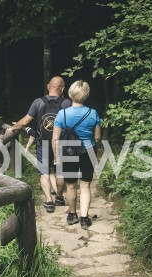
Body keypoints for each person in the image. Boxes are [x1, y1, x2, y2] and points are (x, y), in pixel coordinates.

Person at [6, 76, 71, 213]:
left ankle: (48, 201)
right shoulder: (67, 103)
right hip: (60, 143)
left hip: (43, 142)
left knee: (44, 173)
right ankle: (59, 197)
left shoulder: (38, 102)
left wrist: (13, 128)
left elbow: (24, 122)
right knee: (60, 172)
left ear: (48, 86)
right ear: (63, 89)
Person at [52, 80, 101, 229]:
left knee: (71, 186)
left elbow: (55, 139)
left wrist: (56, 157)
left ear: (71, 93)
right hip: (88, 150)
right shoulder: (93, 113)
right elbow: (98, 137)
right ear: (86, 95)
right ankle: (85, 218)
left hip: (68, 149)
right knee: (85, 185)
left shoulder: (62, 114)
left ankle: (72, 215)